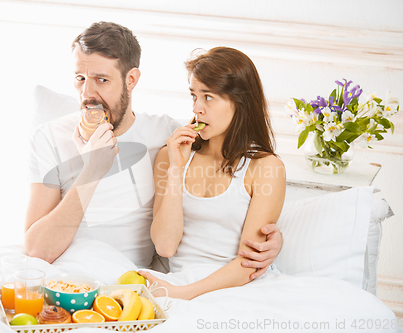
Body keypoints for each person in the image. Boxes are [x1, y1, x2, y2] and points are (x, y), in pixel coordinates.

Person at [25, 21, 282, 279]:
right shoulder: (48, 138)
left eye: (101, 80)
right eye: (80, 79)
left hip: (127, 281)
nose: (87, 94)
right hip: (61, 276)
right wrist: (92, 169)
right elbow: (37, 250)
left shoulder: (166, 136)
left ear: (131, 79)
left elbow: (222, 168)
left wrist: (274, 240)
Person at [138, 47, 286, 300]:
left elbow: (248, 263)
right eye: (193, 96)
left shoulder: (266, 167)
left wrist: (182, 294)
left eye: (208, 97)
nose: (197, 108)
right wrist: (176, 169)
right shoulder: (170, 156)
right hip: (178, 280)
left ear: (240, 102)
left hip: (236, 288)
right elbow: (165, 246)